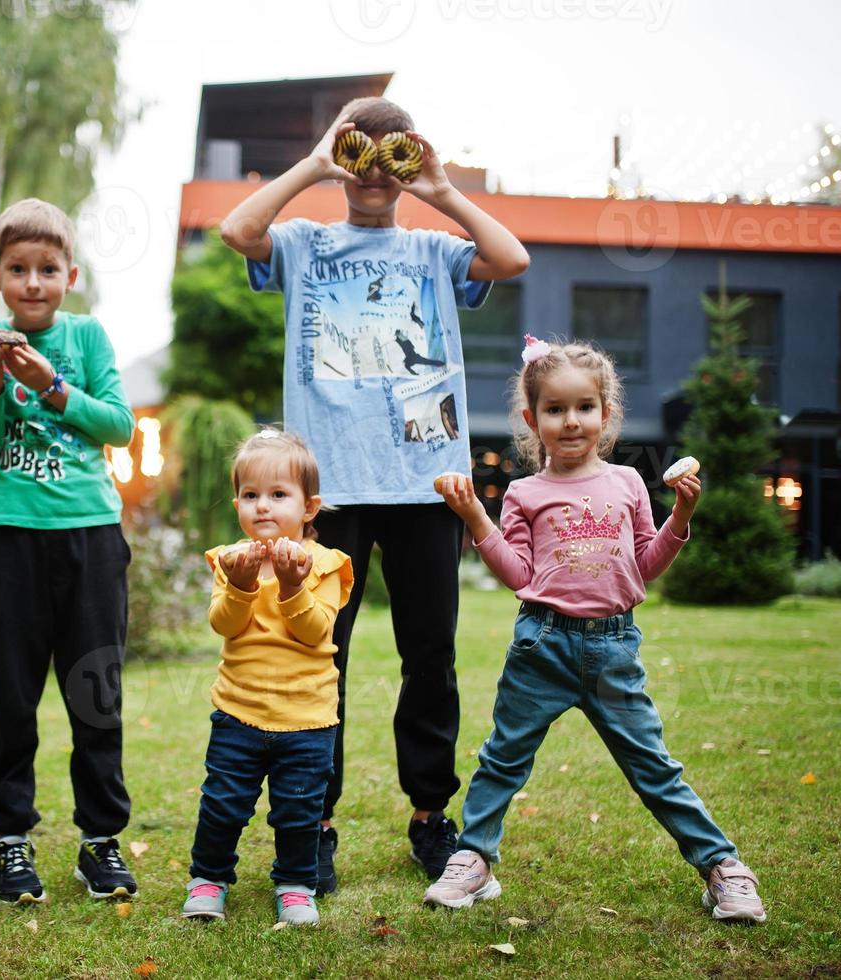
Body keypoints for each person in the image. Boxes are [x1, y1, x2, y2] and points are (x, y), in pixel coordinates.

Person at [220, 95, 531, 891]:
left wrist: (439, 186)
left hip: (428, 483)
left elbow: (511, 258)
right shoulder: (303, 242)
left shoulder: (431, 250)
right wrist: (317, 161)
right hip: (331, 489)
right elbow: (236, 231)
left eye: (386, 155)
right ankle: (310, 823)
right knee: (320, 653)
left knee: (428, 658)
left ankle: (431, 816)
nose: (370, 172)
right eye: (359, 154)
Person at [425, 335, 766, 923]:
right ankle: (473, 859)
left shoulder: (630, 485)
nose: (571, 420)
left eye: (584, 407)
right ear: (533, 420)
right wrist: (477, 519)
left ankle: (722, 867)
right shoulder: (524, 493)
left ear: (606, 415)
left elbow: (645, 565)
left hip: (613, 649)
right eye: (554, 410)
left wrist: (680, 514)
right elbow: (519, 575)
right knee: (502, 759)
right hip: (542, 644)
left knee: (653, 766)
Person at [0, 198, 138, 905]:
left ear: (70, 274)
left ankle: (100, 840)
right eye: (19, 270)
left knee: (95, 695)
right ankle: (11, 842)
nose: (33, 282)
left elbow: (117, 426)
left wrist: (51, 387)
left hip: (91, 537)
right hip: (9, 538)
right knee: (11, 698)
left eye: (48, 269)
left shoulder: (88, 338)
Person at [180, 430, 354, 926]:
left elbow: (316, 630)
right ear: (237, 502)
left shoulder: (326, 564)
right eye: (251, 495)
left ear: (309, 507)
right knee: (223, 805)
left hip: (307, 718)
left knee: (299, 812)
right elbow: (224, 624)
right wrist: (240, 586)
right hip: (239, 712)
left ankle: (296, 884)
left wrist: (293, 586)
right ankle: (208, 878)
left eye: (279, 495)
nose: (263, 506)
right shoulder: (230, 560)